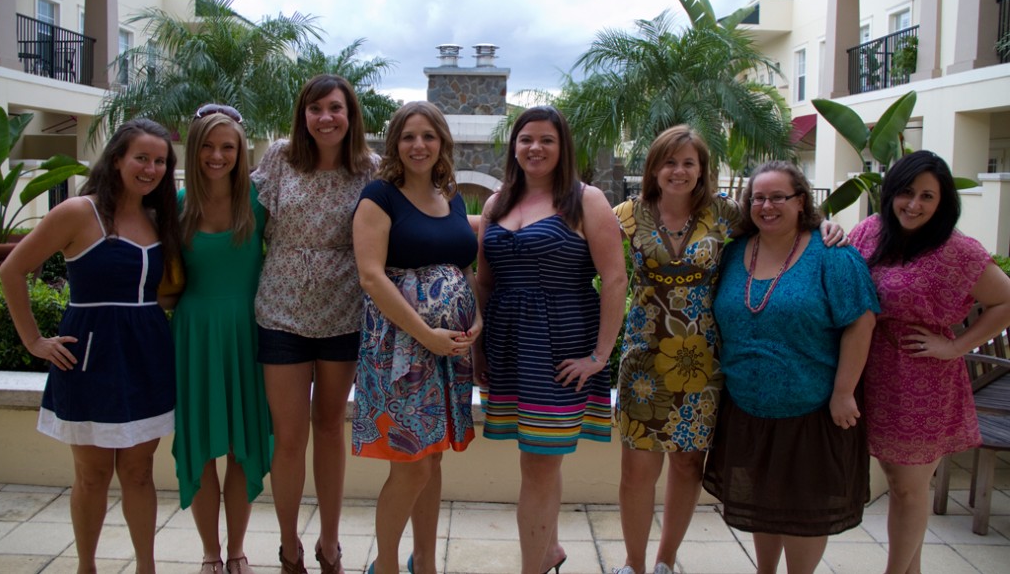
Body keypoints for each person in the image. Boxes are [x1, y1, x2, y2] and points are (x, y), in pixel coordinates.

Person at [611, 127, 844, 574]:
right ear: (654, 167)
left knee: (686, 465)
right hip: (643, 360)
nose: (678, 171)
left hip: (703, 361)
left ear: (702, 170)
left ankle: (665, 560)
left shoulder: (725, 214)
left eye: (688, 163)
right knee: (636, 472)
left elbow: (780, 222)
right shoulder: (625, 214)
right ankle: (633, 564)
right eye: (669, 162)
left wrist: (825, 225)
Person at [0, 118, 181, 574]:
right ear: (117, 159)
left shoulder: (160, 219)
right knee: (93, 474)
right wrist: (34, 341)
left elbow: (161, 291)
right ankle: (86, 567)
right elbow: (11, 270)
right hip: (90, 357)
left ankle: (146, 566)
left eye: (160, 161)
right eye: (141, 157)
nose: (151, 168)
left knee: (139, 473)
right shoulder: (78, 212)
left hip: (148, 357)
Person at [702, 161, 878, 574]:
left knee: (804, 507)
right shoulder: (733, 251)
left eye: (778, 197)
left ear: (801, 201)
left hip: (812, 408)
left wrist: (843, 391)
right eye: (758, 198)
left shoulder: (830, 253)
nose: (766, 206)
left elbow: (861, 320)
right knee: (764, 502)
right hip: (747, 407)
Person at [475, 106, 628, 574]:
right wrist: (480, 350)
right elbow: (484, 281)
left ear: (562, 148)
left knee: (537, 465)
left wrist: (599, 357)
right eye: (525, 139)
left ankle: (532, 567)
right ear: (514, 147)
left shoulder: (587, 200)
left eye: (546, 139)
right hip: (508, 345)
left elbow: (615, 279)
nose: (535, 148)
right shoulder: (496, 202)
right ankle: (550, 550)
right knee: (543, 460)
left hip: (561, 347)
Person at [848, 151, 1010, 574]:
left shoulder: (958, 252)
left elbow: (1006, 300)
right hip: (870, 371)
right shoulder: (870, 231)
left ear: (942, 203)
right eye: (906, 192)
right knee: (899, 482)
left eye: (927, 196)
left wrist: (957, 347)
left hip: (920, 382)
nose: (914, 204)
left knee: (907, 489)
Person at [252, 74, 378, 574]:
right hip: (280, 310)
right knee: (288, 437)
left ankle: (330, 542)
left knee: (329, 428)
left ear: (351, 116)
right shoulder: (279, 158)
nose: (326, 117)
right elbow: (249, 225)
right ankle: (288, 546)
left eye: (335, 108)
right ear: (302, 115)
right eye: (315, 108)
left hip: (344, 311)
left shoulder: (370, 169)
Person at [352, 101, 482, 574]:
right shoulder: (379, 197)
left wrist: (477, 316)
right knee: (413, 464)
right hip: (401, 349)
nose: (418, 145)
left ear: (442, 142)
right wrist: (426, 333)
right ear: (395, 144)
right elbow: (371, 276)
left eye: (428, 136)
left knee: (434, 457)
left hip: (449, 351)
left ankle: (423, 562)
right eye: (409, 136)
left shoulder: (453, 198)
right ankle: (384, 565)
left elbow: (462, 267)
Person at [170, 105, 273, 574]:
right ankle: (210, 553)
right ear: (194, 150)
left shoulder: (259, 199)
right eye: (208, 146)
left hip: (248, 333)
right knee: (202, 448)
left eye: (227, 147)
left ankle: (237, 551)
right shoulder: (174, 206)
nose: (217, 155)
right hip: (193, 335)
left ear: (241, 151)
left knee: (240, 448)